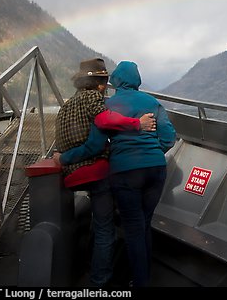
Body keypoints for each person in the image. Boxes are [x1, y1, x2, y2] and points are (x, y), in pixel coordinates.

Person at [53, 58, 156, 287]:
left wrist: (64, 159)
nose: (105, 86)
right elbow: (100, 130)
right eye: (104, 81)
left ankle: (90, 264)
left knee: (98, 220)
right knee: (105, 231)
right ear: (99, 83)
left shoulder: (65, 106)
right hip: (94, 172)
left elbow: (64, 143)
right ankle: (100, 281)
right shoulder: (93, 98)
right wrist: (137, 124)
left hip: (71, 175)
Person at [105, 60, 176, 287]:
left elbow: (98, 141)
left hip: (126, 172)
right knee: (144, 224)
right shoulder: (152, 102)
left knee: (134, 228)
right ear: (137, 80)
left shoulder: (109, 104)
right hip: (156, 170)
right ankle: (142, 275)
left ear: (115, 80)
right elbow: (168, 137)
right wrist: (155, 152)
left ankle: (140, 281)